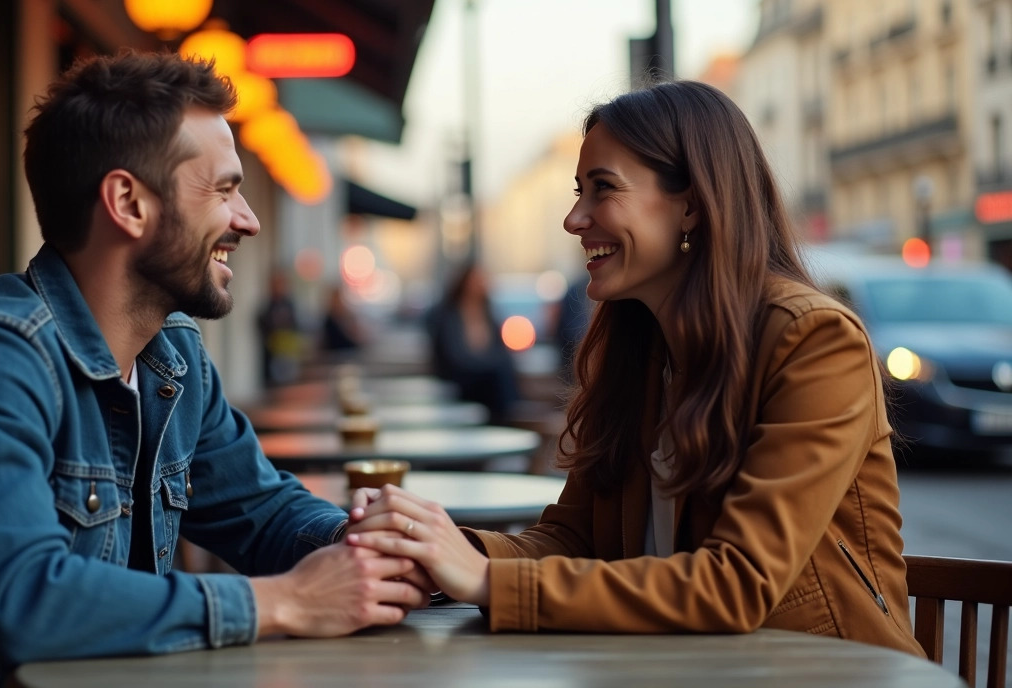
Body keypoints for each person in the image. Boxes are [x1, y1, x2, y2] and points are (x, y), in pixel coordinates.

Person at [0, 51, 428, 686]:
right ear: (127, 202)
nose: (248, 220)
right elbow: (23, 600)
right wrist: (286, 601)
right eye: (225, 189)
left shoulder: (173, 359)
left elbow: (261, 511)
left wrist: (368, 544)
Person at [347, 80, 924, 657]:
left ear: (692, 204)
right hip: (679, 670)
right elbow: (574, 538)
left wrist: (486, 579)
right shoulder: (641, 348)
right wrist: (439, 547)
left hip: (823, 675)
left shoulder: (813, 341)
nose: (575, 220)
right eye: (579, 192)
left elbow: (737, 585)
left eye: (603, 190)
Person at [425, 263, 521, 424]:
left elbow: (500, 350)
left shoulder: (489, 313)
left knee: (501, 372)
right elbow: (453, 356)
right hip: (459, 378)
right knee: (498, 375)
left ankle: (505, 417)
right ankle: (505, 418)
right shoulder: (447, 314)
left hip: (483, 378)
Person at [256, 267, 304, 385]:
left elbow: (297, 328)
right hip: (271, 359)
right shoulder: (267, 307)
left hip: (289, 358)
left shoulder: (290, 306)